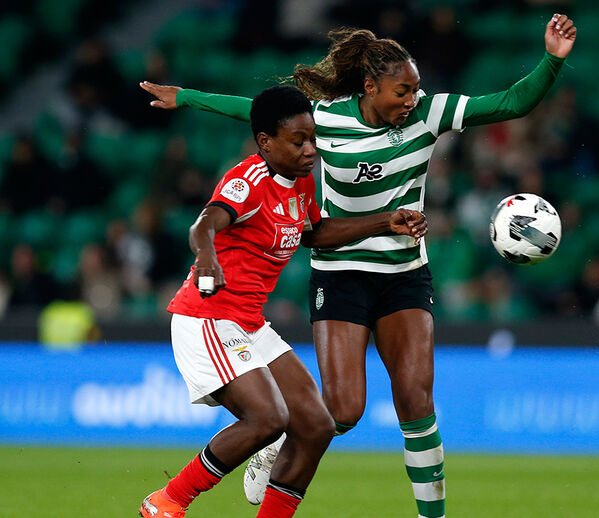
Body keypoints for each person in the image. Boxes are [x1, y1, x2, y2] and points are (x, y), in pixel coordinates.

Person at [140, 13, 576, 517]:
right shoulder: (323, 121)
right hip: (339, 271)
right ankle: (263, 447)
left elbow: (512, 102)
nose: (411, 99)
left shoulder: (428, 113)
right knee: (340, 413)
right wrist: (187, 97)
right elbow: (254, 113)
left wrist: (551, 60)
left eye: (415, 89)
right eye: (401, 91)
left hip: (404, 272)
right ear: (370, 87)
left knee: (416, 401)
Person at [139, 85, 426, 518]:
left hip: (248, 323)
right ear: (266, 142)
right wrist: (207, 258)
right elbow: (204, 224)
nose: (310, 149)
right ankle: (167, 502)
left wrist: (386, 221)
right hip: (208, 318)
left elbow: (315, 234)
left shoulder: (301, 182)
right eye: (298, 141)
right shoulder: (247, 182)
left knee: (316, 425)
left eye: (312, 138)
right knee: (268, 420)